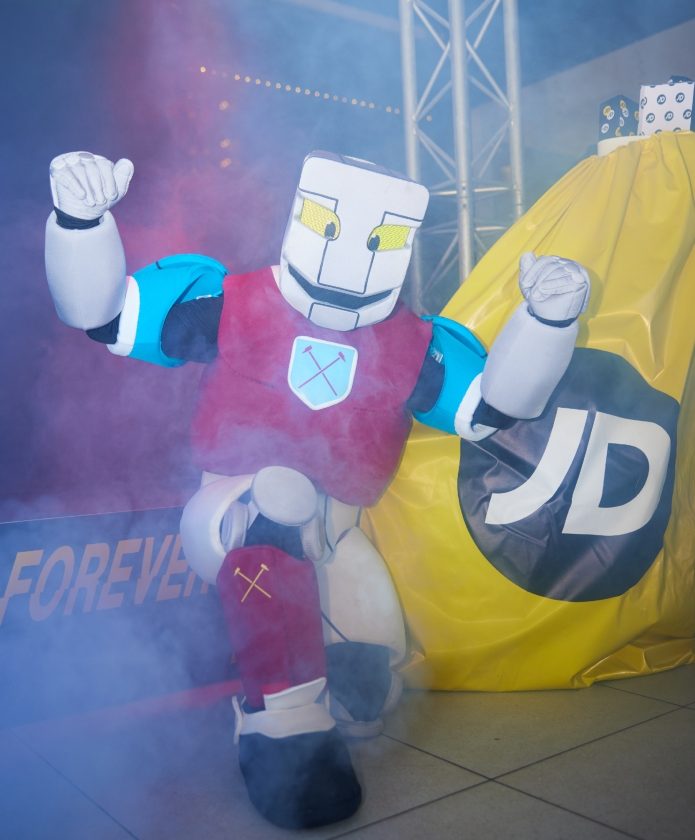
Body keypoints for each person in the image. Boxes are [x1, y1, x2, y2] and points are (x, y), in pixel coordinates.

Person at [45, 149, 590, 829]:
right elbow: (104, 314)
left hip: (338, 531)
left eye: (380, 238)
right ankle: (281, 723)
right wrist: (80, 221)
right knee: (278, 502)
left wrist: (546, 323)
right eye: (331, 226)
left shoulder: (413, 343)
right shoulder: (232, 302)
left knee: (367, 692)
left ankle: (321, 693)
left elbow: (491, 408)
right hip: (236, 507)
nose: (351, 256)